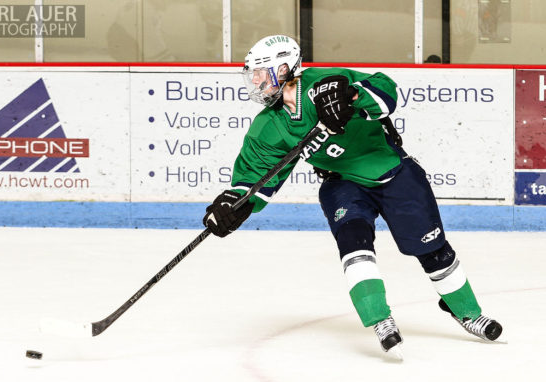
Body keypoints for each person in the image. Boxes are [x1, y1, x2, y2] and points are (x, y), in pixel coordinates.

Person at [202, 34, 502, 357]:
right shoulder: (267, 128)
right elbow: (253, 181)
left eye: (261, 74)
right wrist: (232, 206)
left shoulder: (326, 82)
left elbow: (387, 92)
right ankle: (380, 318)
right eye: (254, 76)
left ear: (286, 69)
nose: (256, 82)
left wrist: (353, 95)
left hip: (391, 171)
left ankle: (468, 312)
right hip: (342, 184)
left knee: (432, 249)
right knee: (354, 243)